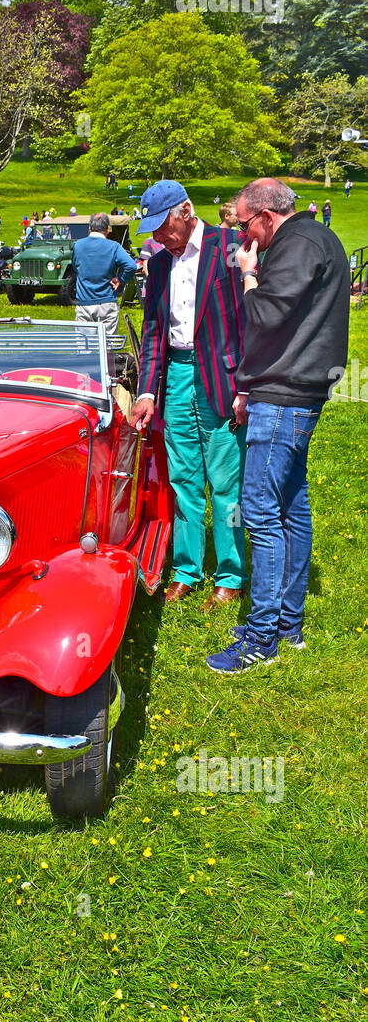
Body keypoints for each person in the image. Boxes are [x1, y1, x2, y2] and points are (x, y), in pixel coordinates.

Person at [206, 178, 349, 672]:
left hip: (285, 393)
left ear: (266, 214)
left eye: (244, 224)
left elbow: (264, 315)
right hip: (298, 389)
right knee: (291, 504)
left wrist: (249, 274)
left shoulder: (296, 244)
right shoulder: (317, 240)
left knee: (261, 511)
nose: (243, 235)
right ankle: (288, 625)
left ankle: (260, 638)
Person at [130, 181, 248, 609]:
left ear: (185, 210)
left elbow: (254, 320)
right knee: (182, 478)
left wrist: (247, 385)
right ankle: (186, 569)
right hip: (176, 376)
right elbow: (153, 333)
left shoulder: (232, 246)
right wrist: (146, 391)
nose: (159, 236)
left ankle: (231, 573)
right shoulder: (159, 264)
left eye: (164, 226)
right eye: (154, 230)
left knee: (224, 480)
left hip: (222, 377)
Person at [72, 213, 137, 338]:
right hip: (107, 301)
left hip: (84, 302)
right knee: (108, 348)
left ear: (89, 228)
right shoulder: (114, 246)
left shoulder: (78, 245)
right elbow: (131, 266)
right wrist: (120, 279)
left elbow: (76, 267)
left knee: (85, 347)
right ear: (108, 229)